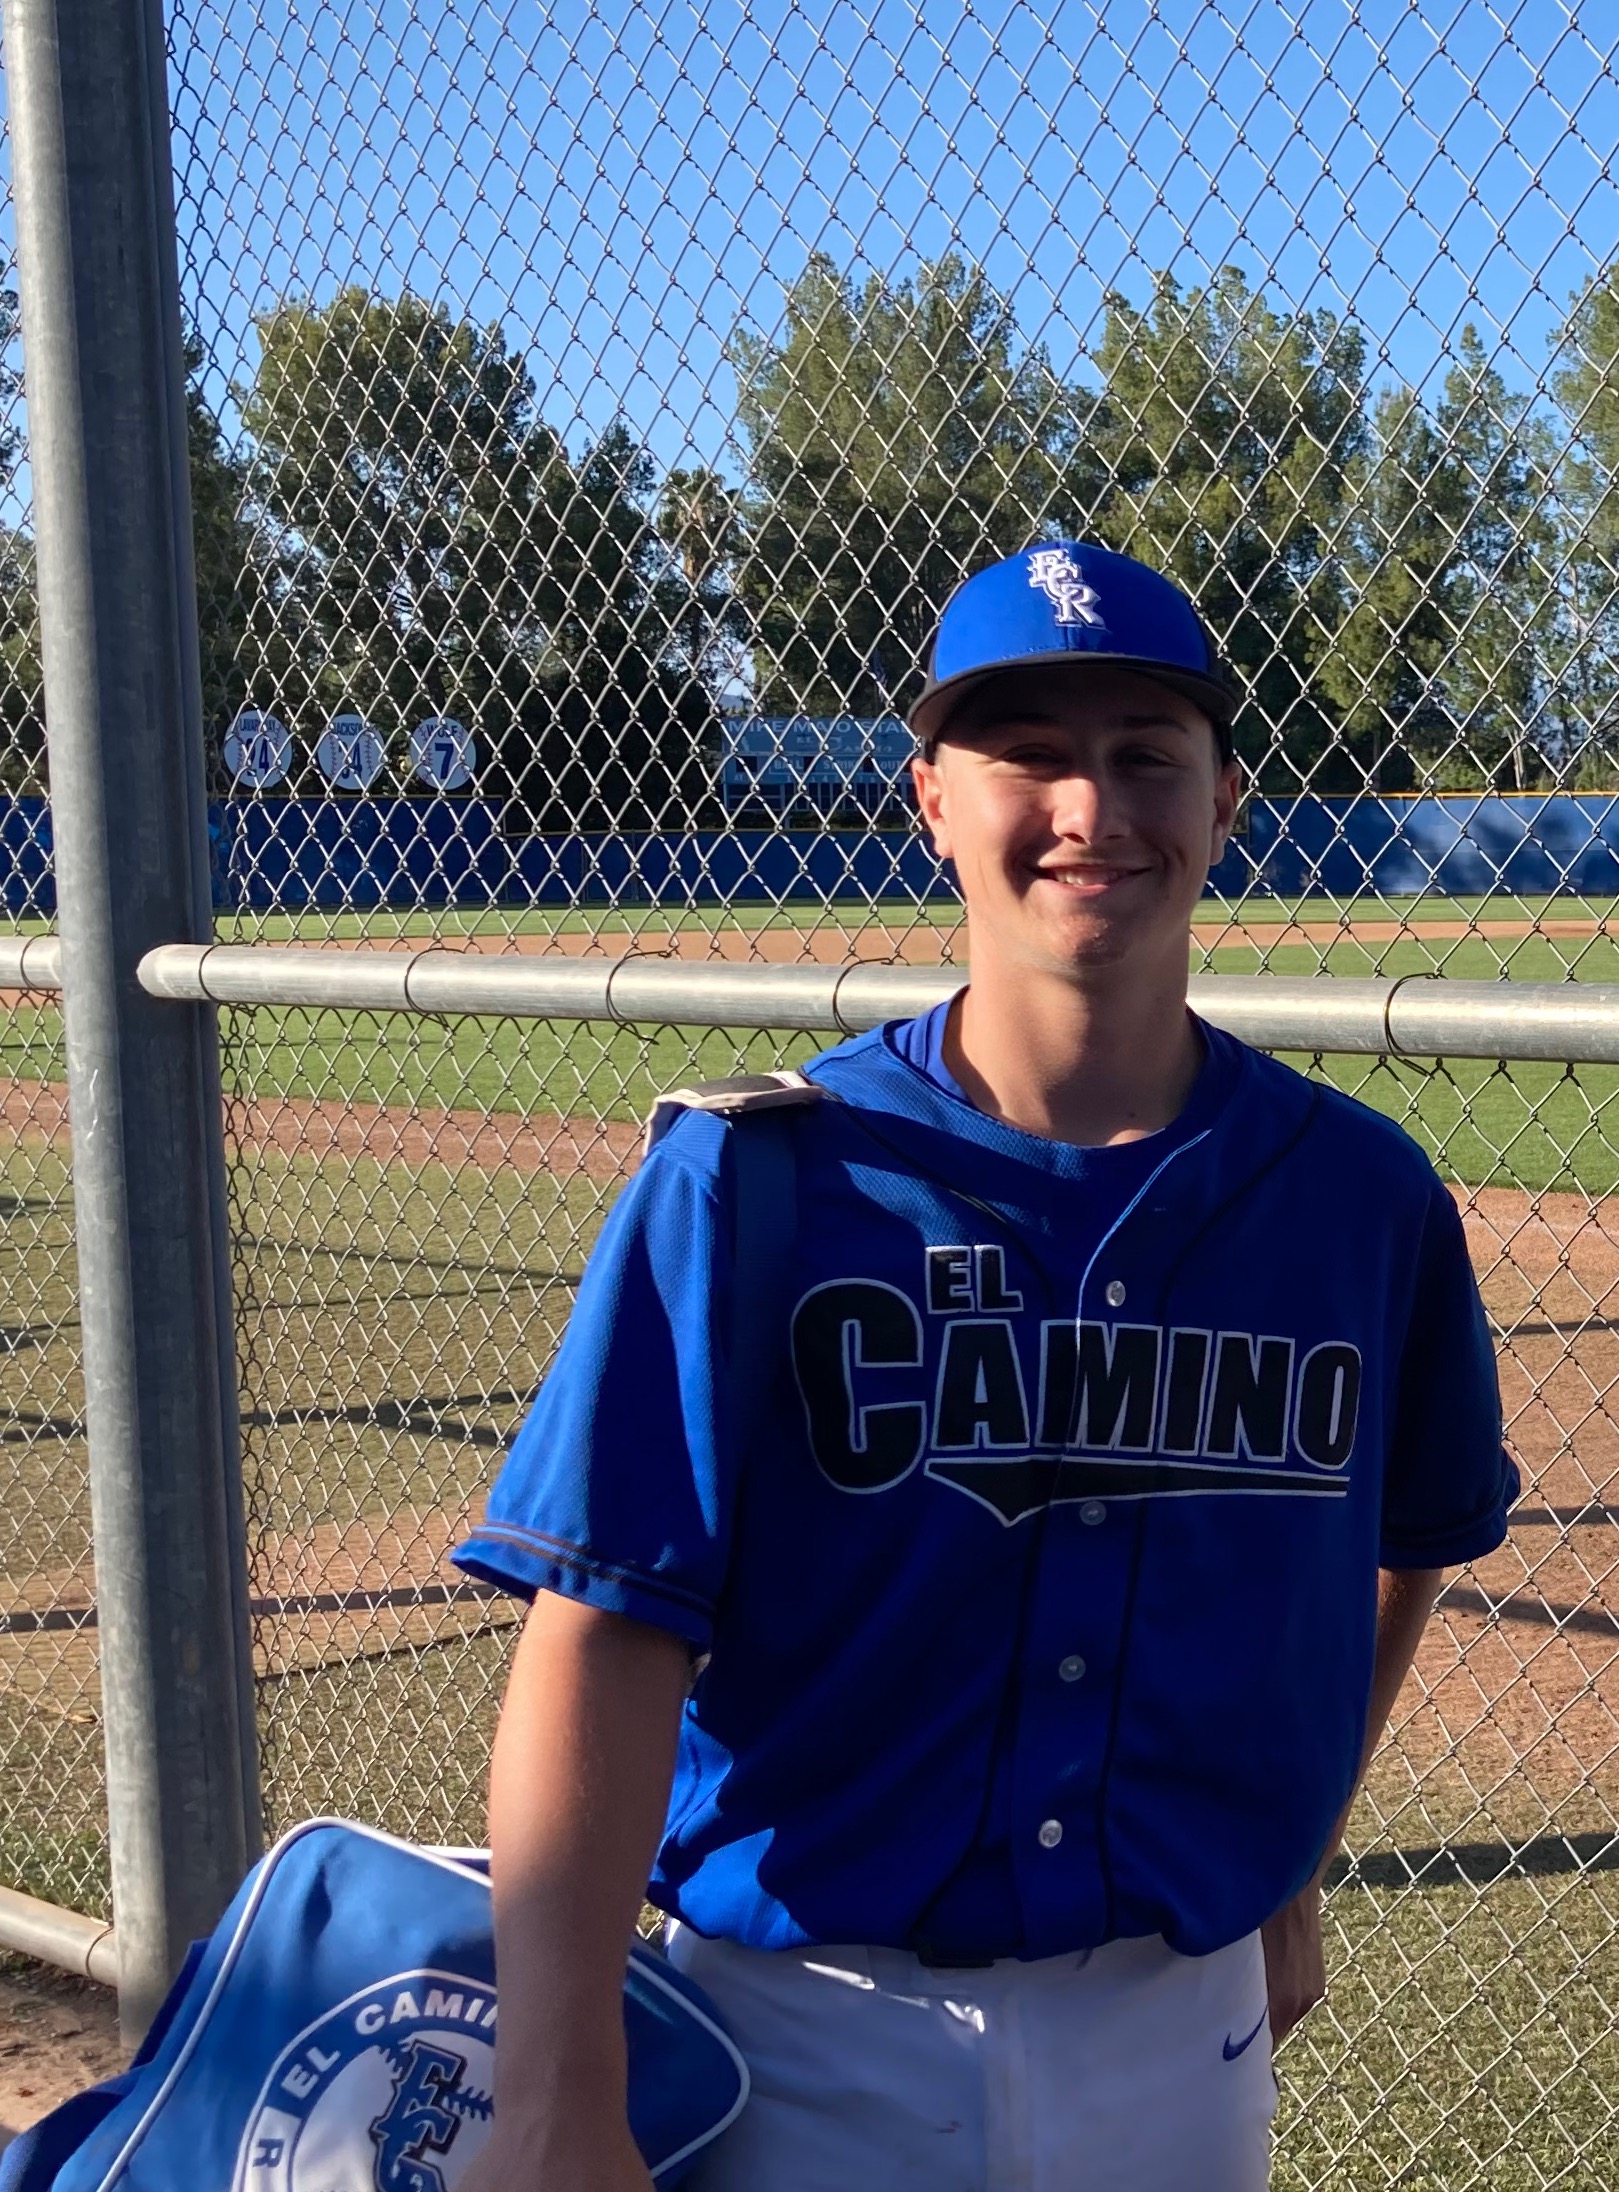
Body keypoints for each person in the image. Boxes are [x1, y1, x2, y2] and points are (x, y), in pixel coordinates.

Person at [452, 540, 1517, 2192]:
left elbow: (1409, 1540)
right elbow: (599, 1631)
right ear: (933, 802)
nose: (1091, 808)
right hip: (794, 2036)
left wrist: (1292, 1845)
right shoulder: (756, 1180)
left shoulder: (1360, 1199)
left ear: (1226, 799)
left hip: (1183, 2036)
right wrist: (553, 2089)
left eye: (1145, 754)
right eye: (1029, 754)